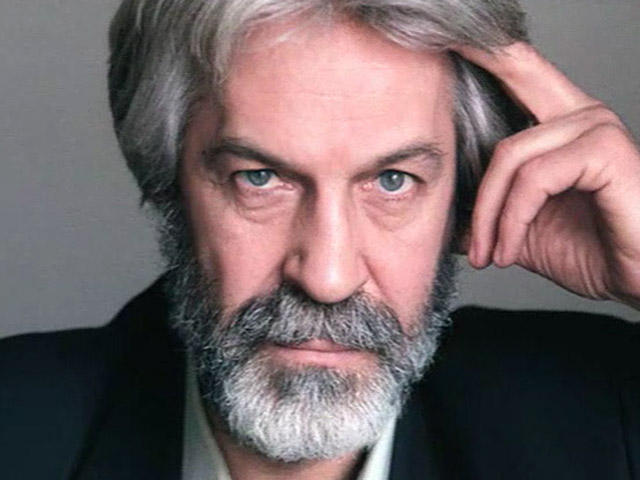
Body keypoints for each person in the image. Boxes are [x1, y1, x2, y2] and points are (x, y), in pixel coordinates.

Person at [2, 0, 639, 478]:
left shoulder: (603, 421)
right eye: (259, 178)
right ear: (169, 180)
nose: (327, 277)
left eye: (392, 180)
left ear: (466, 192)